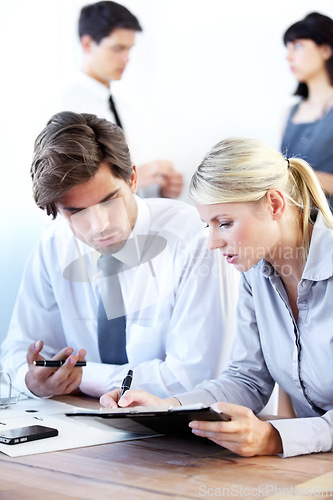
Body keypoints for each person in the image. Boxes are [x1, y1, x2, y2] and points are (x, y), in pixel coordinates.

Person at [100, 136, 333, 458]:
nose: (212, 243)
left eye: (224, 223)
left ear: (275, 205)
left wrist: (275, 437)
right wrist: (170, 407)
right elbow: (248, 379)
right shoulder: (256, 272)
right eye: (207, 225)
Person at [0, 111, 239, 400]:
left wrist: (81, 376)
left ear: (133, 179)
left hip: (179, 429)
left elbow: (191, 378)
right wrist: (33, 380)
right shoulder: (53, 245)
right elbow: (18, 351)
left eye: (109, 200)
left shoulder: (196, 240)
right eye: (76, 212)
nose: (100, 226)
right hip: (83, 420)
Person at [58, 0, 183, 199]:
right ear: (87, 44)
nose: (127, 58)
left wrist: (161, 190)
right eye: (118, 48)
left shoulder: (125, 110)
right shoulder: (61, 110)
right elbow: (65, 188)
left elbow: (134, 187)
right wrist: (127, 180)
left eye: (129, 49)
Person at [281, 12, 333, 210]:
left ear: (326, 50)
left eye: (298, 46)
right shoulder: (288, 114)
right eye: (287, 48)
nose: (288, 56)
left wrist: (295, 175)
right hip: (294, 231)